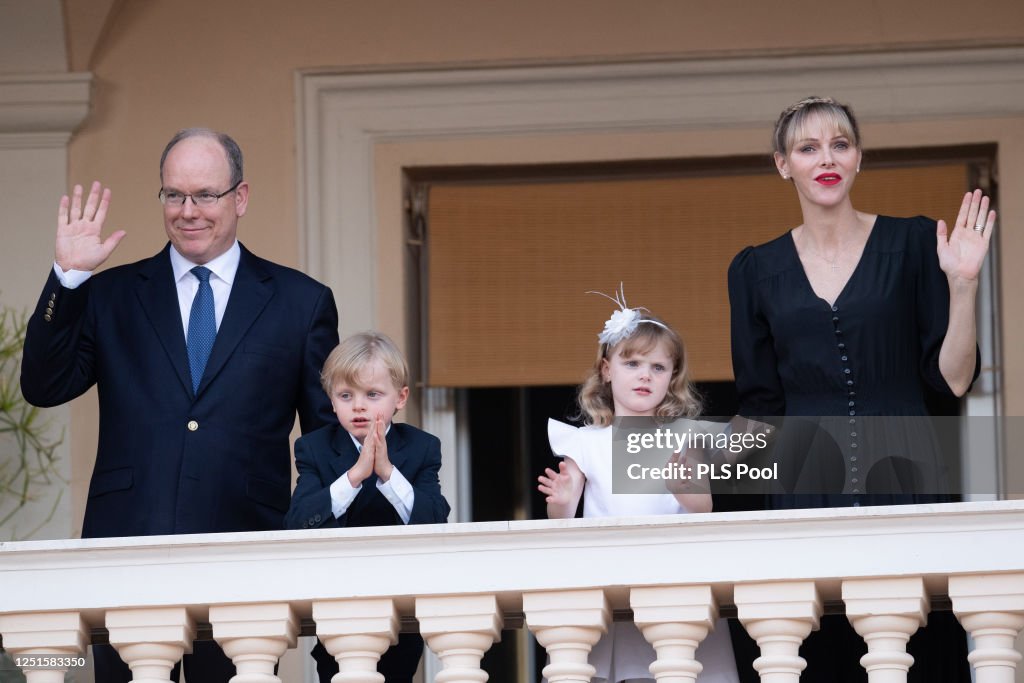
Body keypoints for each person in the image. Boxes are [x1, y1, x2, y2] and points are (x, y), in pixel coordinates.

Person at [20, 128, 340, 682]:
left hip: (246, 557)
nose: (188, 211)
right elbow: (44, 386)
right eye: (174, 195)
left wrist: (324, 551)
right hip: (126, 554)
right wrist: (68, 278)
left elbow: (325, 442)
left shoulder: (300, 302)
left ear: (240, 198)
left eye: (205, 195)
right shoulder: (110, 294)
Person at [727, 96, 993, 683]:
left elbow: (952, 378)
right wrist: (690, 458)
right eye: (808, 147)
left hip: (910, 473)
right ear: (782, 164)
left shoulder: (918, 244)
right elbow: (760, 410)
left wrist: (964, 286)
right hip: (802, 484)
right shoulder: (753, 270)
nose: (826, 158)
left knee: (918, 652)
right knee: (817, 656)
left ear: (858, 159)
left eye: (840, 145)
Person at [537, 289, 740, 683]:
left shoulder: (683, 437)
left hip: (672, 575)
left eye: (658, 367)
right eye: (632, 363)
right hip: (607, 575)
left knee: (672, 666)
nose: (645, 374)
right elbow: (563, 513)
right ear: (607, 369)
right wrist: (560, 501)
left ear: (672, 377)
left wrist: (686, 491)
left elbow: (703, 507)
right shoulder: (584, 441)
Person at [286, 331, 451, 683]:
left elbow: (436, 518)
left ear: (400, 398)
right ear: (331, 401)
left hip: (400, 606)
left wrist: (388, 473)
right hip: (338, 603)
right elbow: (299, 522)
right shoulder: (313, 448)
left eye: (372, 395)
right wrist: (355, 475)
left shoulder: (422, 448)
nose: (358, 405)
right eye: (346, 395)